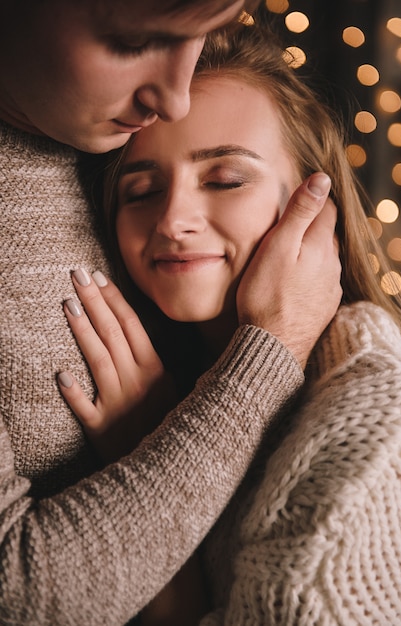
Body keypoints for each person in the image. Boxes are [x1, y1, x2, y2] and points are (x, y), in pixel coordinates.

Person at [58, 24, 401, 625]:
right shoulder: (163, 369)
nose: (173, 219)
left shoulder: (375, 424)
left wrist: (147, 472)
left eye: (225, 180)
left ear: (315, 206)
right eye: (141, 190)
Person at [0, 1, 342, 624]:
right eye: (135, 42)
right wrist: (268, 357)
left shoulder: (94, 124)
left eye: (198, 36)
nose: (176, 98)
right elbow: (17, 595)